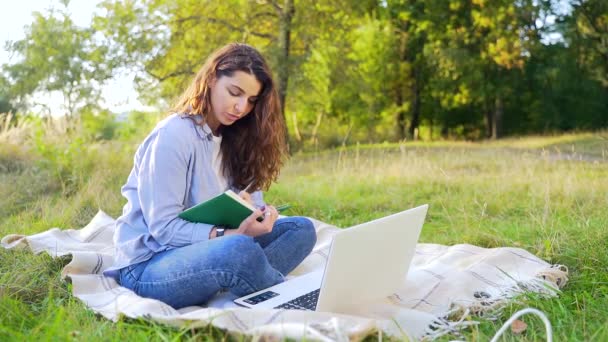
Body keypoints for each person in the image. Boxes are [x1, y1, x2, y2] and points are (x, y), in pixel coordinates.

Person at [103, 43, 317, 309]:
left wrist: (258, 216)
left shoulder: (236, 136)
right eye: (234, 92)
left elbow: (248, 208)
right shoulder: (173, 135)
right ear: (212, 79)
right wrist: (229, 235)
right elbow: (164, 229)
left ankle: (238, 284)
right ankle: (282, 295)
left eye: (251, 100)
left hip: (213, 249)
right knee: (239, 250)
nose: (241, 108)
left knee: (301, 229)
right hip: (149, 264)